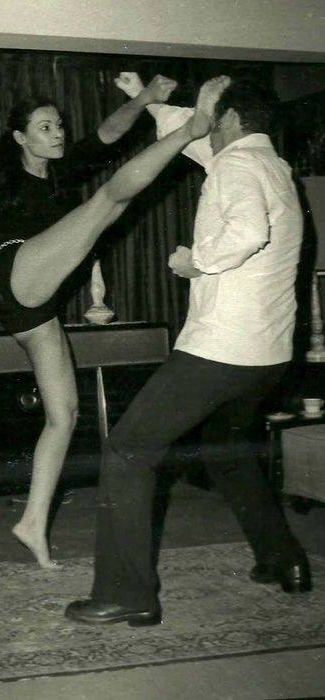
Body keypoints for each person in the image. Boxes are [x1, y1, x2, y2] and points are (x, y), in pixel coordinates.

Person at [0, 75, 221, 569]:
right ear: (20, 138)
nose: (57, 133)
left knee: (64, 415)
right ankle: (189, 131)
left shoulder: (64, 170)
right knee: (109, 202)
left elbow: (109, 133)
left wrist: (145, 98)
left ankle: (31, 522)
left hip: (34, 307)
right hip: (13, 271)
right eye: (45, 126)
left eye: (59, 125)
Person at [65, 73, 310, 628]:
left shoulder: (237, 166)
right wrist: (153, 102)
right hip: (268, 353)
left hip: (222, 347)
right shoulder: (272, 165)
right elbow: (195, 138)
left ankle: (127, 593)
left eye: (210, 117)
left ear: (226, 119)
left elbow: (246, 232)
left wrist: (195, 262)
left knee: (127, 450)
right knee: (227, 450)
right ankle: (284, 559)